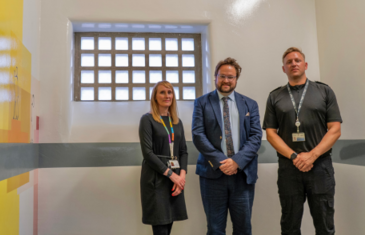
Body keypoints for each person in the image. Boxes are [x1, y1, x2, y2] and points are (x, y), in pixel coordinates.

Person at [263, 47, 342, 235]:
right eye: (289, 62)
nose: (293, 64)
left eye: (297, 60)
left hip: (320, 167)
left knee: (324, 224)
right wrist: (294, 156)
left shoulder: (324, 91)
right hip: (289, 167)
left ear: (305, 65)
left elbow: (335, 129)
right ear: (283, 68)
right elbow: (271, 134)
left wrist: (312, 156)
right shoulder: (275, 96)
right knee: (289, 225)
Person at [192, 57, 262, 235]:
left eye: (231, 77)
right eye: (222, 76)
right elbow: (198, 135)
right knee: (215, 229)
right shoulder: (201, 103)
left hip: (242, 175)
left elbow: (255, 136)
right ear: (215, 77)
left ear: (236, 79)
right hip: (213, 174)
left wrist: (236, 162)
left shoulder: (250, 104)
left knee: (243, 229)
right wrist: (223, 161)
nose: (226, 80)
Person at [139, 81, 188, 235]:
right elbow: (148, 153)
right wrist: (171, 175)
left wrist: (181, 177)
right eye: (162, 92)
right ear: (155, 97)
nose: (167, 96)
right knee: (160, 229)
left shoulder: (176, 122)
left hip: (175, 180)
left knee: (169, 226)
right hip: (156, 178)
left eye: (170, 92)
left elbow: (183, 151)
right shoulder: (147, 120)